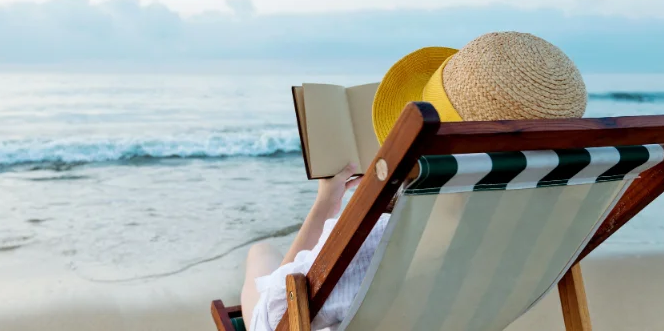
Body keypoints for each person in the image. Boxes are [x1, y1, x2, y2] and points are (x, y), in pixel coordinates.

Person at [241, 31, 589, 331]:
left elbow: (274, 320)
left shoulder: (393, 238)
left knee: (261, 253)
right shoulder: (546, 222)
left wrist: (326, 204)